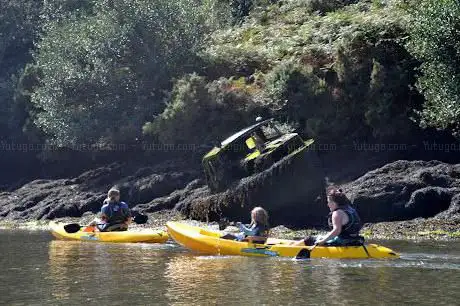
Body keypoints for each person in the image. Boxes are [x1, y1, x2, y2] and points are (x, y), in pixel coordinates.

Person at [292, 187, 363, 246]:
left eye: (329, 202)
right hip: (356, 240)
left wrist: (322, 241)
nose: (328, 205)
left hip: (343, 242)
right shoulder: (350, 209)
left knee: (309, 239)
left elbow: (336, 231)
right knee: (319, 237)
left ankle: (291, 248)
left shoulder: (337, 213)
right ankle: (293, 244)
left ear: (335, 203)